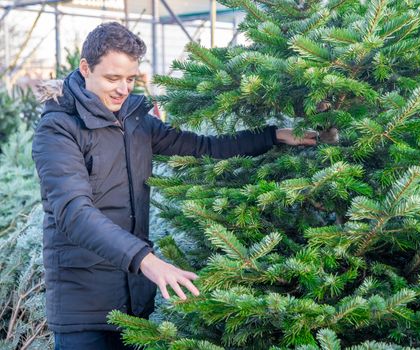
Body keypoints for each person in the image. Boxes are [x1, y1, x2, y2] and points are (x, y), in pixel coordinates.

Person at [32, 22, 316, 350]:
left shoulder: (135, 121)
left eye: (130, 79)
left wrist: (273, 136)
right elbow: (74, 213)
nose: (123, 89)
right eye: (113, 78)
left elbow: (203, 147)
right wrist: (147, 261)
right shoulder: (58, 130)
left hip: (133, 301)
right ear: (85, 68)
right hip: (83, 306)